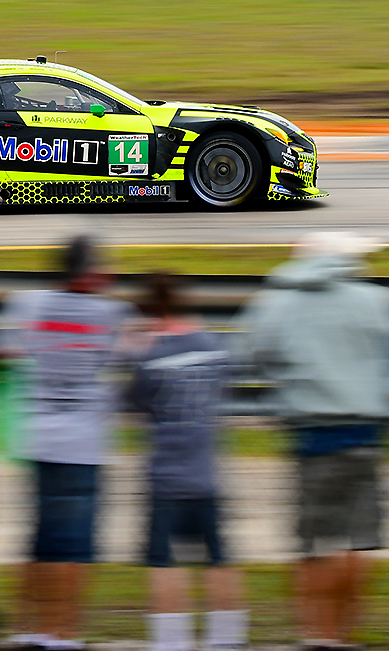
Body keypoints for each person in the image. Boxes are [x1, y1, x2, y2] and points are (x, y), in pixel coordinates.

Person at [237, 232, 389, 651]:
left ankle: (316, 635)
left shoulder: (279, 302)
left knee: (315, 542)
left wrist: (286, 376)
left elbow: (247, 353)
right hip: (368, 433)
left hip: (312, 434)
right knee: (358, 540)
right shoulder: (379, 300)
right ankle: (345, 634)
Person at [0, 236, 138, 651]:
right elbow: (130, 360)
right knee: (75, 546)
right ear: (91, 272)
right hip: (84, 443)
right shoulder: (115, 313)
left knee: (40, 540)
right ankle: (64, 634)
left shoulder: (25, 304)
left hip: (39, 438)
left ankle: (28, 629)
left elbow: (5, 355)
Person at [127, 274, 247, 651]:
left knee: (164, 562)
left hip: (166, 476)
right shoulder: (214, 346)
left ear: (150, 310)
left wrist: (138, 347)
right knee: (218, 559)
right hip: (207, 474)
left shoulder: (151, 356)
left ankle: (170, 644)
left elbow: (133, 403)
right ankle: (225, 641)